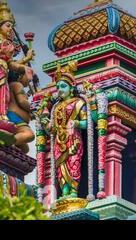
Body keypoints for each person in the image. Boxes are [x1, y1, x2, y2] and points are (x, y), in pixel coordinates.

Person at [39, 62, 87, 198]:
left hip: (73, 139)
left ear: (71, 87)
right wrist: (46, 125)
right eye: (58, 86)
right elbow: (53, 130)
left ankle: (73, 191)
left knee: (73, 162)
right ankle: (64, 191)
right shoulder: (56, 107)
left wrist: (77, 123)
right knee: (60, 167)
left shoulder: (78, 103)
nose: (60, 89)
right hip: (59, 142)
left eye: (63, 86)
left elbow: (87, 122)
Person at [0, 2, 34, 120]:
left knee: (6, 96)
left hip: (4, 71)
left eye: (11, 27)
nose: (10, 29)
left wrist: (26, 61)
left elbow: (11, 64)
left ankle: (1, 115)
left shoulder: (9, 44)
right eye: (8, 26)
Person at [7, 69, 35, 153]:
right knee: (29, 135)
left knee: (24, 149)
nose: (29, 81)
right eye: (28, 78)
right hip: (14, 117)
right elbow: (22, 101)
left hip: (15, 117)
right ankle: (5, 143)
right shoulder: (17, 84)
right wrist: (34, 108)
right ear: (20, 76)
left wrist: (30, 113)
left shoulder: (12, 85)